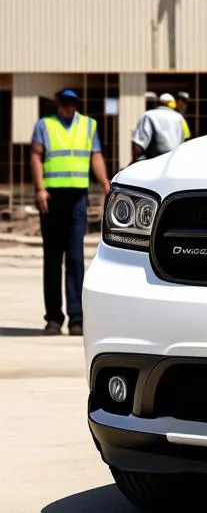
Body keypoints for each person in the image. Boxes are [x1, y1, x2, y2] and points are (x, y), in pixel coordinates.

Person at [30, 89, 111, 336]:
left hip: (77, 198)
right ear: (59, 104)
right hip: (52, 199)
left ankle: (77, 318)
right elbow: (36, 155)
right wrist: (40, 188)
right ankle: (54, 318)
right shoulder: (45, 125)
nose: (69, 107)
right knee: (53, 259)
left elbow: (95, 155)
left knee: (75, 259)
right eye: (65, 103)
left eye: (73, 103)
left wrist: (105, 183)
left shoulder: (88, 125)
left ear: (77, 104)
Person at [132, 92, 187, 161]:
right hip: (175, 162)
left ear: (157, 103)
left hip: (154, 164)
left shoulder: (148, 115)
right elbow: (186, 138)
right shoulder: (179, 118)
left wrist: (134, 164)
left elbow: (138, 145)